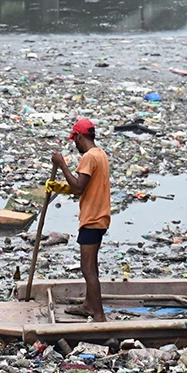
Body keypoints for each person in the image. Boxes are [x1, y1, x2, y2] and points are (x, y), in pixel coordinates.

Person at [51, 118, 110, 321]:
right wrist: (62, 187)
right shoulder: (100, 154)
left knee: (87, 268)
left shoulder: (89, 157)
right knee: (92, 266)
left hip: (92, 218)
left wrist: (61, 165)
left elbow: (78, 187)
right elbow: (85, 187)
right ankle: (88, 305)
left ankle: (99, 314)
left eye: (74, 139)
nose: (74, 144)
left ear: (78, 136)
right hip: (100, 216)